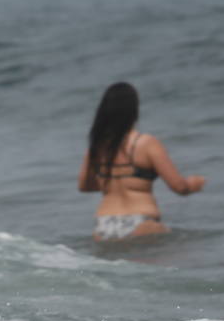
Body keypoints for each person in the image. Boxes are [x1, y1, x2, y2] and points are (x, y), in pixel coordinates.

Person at [77, 82, 205, 241]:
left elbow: (84, 186)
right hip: (142, 224)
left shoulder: (97, 146)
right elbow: (179, 187)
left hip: (103, 225)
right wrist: (195, 184)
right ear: (134, 110)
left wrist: (111, 181)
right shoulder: (146, 143)